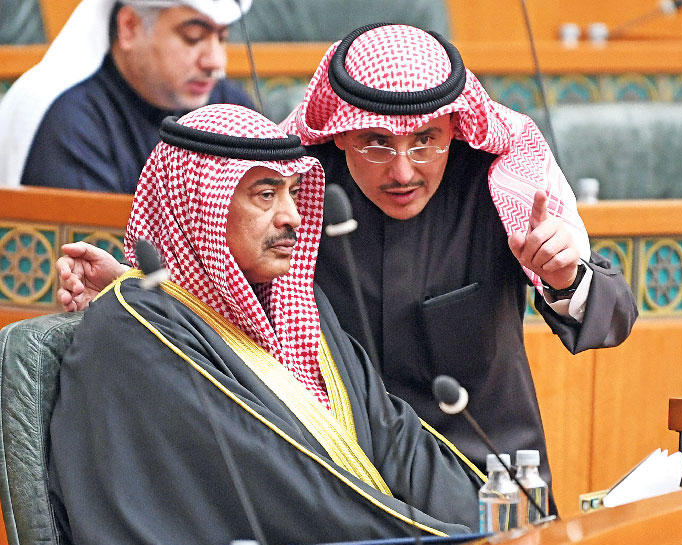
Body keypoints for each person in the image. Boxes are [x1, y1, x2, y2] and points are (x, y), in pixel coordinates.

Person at [55, 24, 638, 511]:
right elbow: (225, 289)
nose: (403, 170)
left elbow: (614, 318)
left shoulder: (496, 181)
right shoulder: (300, 187)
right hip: (339, 490)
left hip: (487, 485)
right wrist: (136, 288)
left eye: (426, 141)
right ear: (338, 131)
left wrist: (566, 279)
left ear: (455, 129)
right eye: (376, 142)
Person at [49, 104, 482, 545]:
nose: (292, 216)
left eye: (294, 192)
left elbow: (392, 436)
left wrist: (494, 521)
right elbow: (282, 485)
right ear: (197, 207)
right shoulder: (139, 330)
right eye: (265, 195)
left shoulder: (297, 306)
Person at [0, 0, 254, 192]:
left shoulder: (227, 104)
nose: (215, 62)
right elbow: (97, 242)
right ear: (129, 27)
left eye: (222, 38)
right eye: (193, 38)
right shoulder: (70, 118)